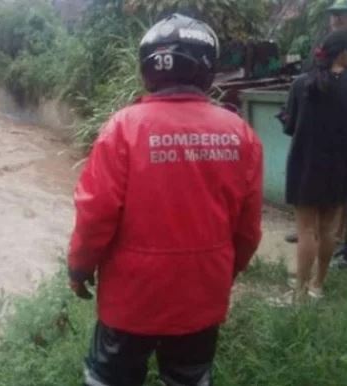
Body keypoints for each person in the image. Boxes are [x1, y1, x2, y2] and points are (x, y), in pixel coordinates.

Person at [67, 14, 263, 386]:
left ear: (147, 70)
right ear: (208, 70)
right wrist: (224, 272)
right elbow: (248, 229)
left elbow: (94, 214)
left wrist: (79, 269)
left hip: (130, 299)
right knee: (189, 377)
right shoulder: (240, 134)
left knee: (109, 378)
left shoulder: (123, 128)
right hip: (201, 295)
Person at [283, 29, 347, 299]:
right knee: (329, 229)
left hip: (305, 164)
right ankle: (317, 286)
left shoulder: (301, 84)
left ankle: (298, 291)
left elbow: (289, 125)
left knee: (306, 229)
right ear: (342, 53)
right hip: (340, 165)